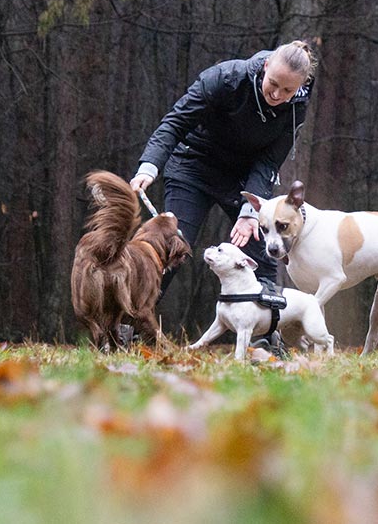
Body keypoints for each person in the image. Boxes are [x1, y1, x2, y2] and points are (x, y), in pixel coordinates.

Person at [128, 40, 317, 355]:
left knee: (262, 247)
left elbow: (268, 162)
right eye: (273, 85)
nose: (277, 95)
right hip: (192, 165)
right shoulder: (226, 78)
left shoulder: (297, 106)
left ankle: (265, 337)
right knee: (173, 245)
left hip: (242, 179)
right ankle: (130, 323)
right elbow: (175, 122)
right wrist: (150, 165)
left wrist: (248, 211)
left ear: (298, 88)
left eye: (286, 90)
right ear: (266, 66)